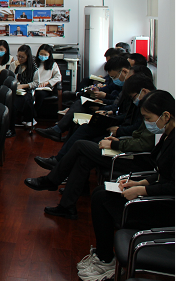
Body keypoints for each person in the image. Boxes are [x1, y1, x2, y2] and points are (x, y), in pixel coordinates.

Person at [78, 90, 173, 280]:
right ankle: (103, 255)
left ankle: (106, 260)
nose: (147, 122)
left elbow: (172, 186)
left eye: (148, 118)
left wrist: (142, 190)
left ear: (166, 116)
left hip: (164, 206)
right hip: (156, 193)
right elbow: (163, 174)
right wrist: (140, 182)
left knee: (102, 199)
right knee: (100, 192)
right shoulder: (168, 135)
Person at [23, 90, 160, 220]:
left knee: (80, 145)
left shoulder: (156, 119)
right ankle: (66, 207)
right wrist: (118, 141)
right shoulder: (151, 115)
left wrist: (115, 144)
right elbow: (136, 137)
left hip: (130, 159)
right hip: (126, 151)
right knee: (83, 159)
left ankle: (51, 180)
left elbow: (143, 145)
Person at [34, 76, 155, 171]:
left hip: (122, 136)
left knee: (83, 143)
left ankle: (58, 163)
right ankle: (58, 154)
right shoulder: (139, 100)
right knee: (84, 126)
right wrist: (106, 109)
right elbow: (122, 111)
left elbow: (135, 130)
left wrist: (117, 130)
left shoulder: (149, 108)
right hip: (117, 126)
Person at [35, 55, 129, 142]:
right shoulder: (122, 81)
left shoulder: (129, 86)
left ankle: (59, 130)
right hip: (108, 106)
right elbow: (114, 97)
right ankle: (61, 131)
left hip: (111, 112)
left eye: (114, 77)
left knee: (79, 108)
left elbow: (117, 104)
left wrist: (103, 104)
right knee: (78, 102)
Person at [16, 44, 60, 124]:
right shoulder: (34, 63)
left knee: (39, 94)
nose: (42, 56)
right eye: (41, 54)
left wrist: (47, 82)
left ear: (49, 55)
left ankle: (32, 115)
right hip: (33, 86)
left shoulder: (53, 65)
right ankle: (27, 117)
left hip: (44, 88)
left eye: (45, 55)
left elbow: (58, 77)